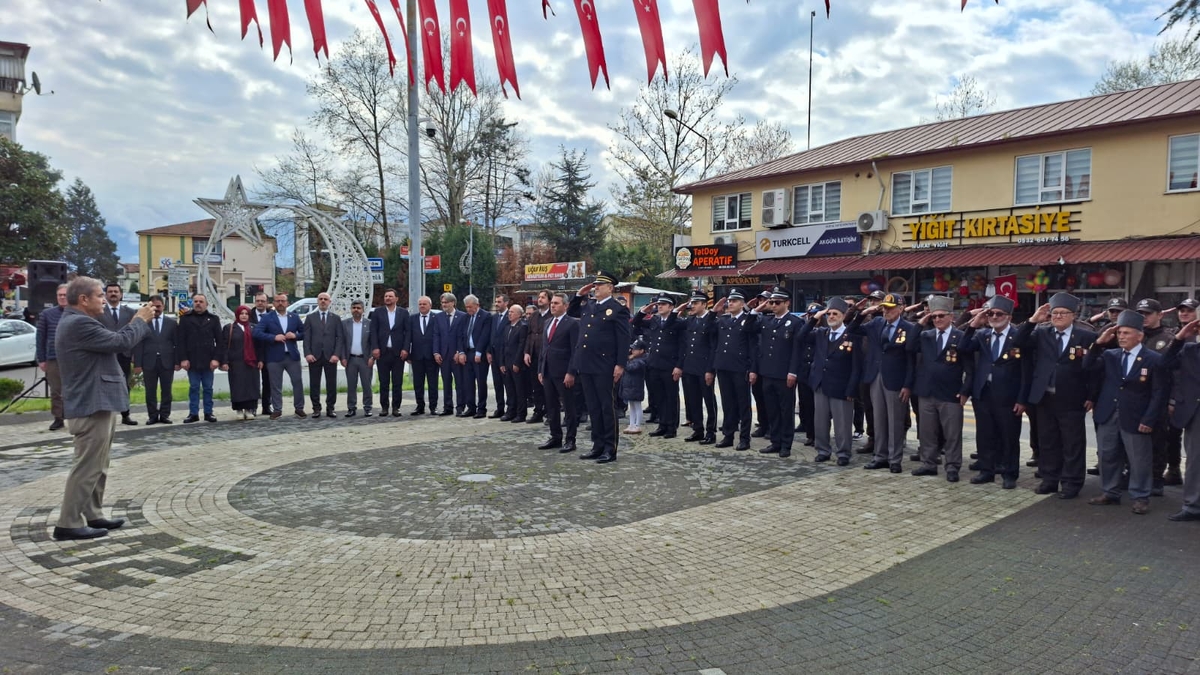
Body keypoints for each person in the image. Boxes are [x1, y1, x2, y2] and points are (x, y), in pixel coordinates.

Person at [52, 276, 154, 541]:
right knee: (87, 466)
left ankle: (93, 513)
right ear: (83, 299)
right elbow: (120, 342)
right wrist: (140, 320)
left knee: (98, 464)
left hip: (98, 402)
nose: (104, 300)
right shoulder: (78, 323)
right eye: (99, 295)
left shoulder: (79, 320)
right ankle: (68, 523)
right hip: (90, 404)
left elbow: (115, 340)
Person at [1086, 310, 1170, 515]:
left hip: (1136, 416)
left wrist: (1149, 419)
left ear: (1139, 336)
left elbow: (1159, 393)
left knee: (1139, 459)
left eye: (1126, 333)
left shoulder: (1154, 359)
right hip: (1108, 413)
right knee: (1107, 455)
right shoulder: (1110, 355)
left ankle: (1140, 497)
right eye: (1119, 333)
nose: (1121, 336)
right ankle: (1110, 492)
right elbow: (1087, 366)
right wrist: (1099, 343)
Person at [1014, 293, 1097, 499]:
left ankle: (1071, 482)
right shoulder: (1042, 333)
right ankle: (1050, 479)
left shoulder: (1086, 336)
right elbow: (1018, 341)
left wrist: (1092, 395)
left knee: (1072, 443)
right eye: (1055, 313)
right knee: (1047, 441)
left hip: (1072, 397)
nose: (1058, 316)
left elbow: (1095, 369)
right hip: (1044, 396)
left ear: (1073, 315)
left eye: (1063, 313)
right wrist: (1033, 320)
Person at [958, 295, 1029, 489]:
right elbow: (963, 347)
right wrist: (973, 324)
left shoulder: (1018, 336)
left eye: (999, 314)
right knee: (985, 435)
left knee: (1009, 437)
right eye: (991, 314)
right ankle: (986, 471)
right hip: (984, 393)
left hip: (1008, 395)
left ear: (1009, 316)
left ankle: (1009, 474)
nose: (994, 317)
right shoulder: (983, 335)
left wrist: (1022, 399)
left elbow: (1026, 371)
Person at [567, 271, 631, 463]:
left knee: (606, 407)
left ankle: (610, 449)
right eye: (594, 285)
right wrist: (579, 295)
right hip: (586, 364)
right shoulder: (589, 305)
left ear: (610, 288)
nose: (595, 288)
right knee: (593, 407)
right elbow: (571, 312)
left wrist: (620, 364)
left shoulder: (617, 309)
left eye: (599, 285)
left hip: (605, 365)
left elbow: (624, 339)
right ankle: (597, 445)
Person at [851, 292, 916, 473]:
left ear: (901, 309)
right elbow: (852, 329)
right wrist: (863, 313)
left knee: (895, 422)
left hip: (896, 379)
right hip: (875, 376)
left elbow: (911, 360)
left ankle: (894, 459)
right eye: (885, 308)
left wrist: (908, 385)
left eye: (890, 308)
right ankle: (880, 456)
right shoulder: (876, 323)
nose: (886, 311)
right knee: (878, 419)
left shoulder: (909, 328)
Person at [910, 296, 972, 482]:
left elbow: (970, 369)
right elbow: (910, 345)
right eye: (934, 316)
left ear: (951, 316)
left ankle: (952, 466)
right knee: (927, 432)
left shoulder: (960, 337)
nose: (937, 319)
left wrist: (965, 391)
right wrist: (921, 323)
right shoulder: (926, 335)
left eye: (941, 316)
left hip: (950, 393)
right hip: (927, 392)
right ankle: (929, 463)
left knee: (952, 433)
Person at [798, 297, 862, 465]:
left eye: (835, 314)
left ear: (843, 316)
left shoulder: (852, 335)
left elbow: (857, 366)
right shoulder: (821, 333)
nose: (831, 317)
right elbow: (801, 336)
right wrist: (815, 318)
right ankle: (823, 450)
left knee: (842, 423)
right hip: (821, 383)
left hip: (841, 386)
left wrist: (852, 388)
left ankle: (843, 453)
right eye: (829, 314)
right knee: (820, 421)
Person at [754, 287, 803, 459]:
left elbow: (797, 350)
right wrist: (757, 309)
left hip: (784, 374)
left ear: (787, 303)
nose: (773, 305)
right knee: (772, 409)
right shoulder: (766, 321)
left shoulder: (795, 322)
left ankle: (786, 444)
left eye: (777, 302)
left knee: (786, 411)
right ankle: (775, 441)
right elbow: (748, 328)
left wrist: (793, 372)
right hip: (767, 372)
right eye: (771, 302)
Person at [1135, 298, 1177, 497]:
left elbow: (1177, 373)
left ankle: (1156, 478)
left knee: (1158, 439)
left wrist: (1172, 399)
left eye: (1148, 313)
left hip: (1160, 395)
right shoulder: (1133, 334)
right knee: (1134, 439)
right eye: (1140, 314)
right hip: (1136, 395)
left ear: (1160, 315)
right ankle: (1135, 476)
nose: (1144, 317)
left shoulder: (1169, 338)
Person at [711, 288, 761, 450]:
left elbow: (753, 347)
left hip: (740, 367)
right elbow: (708, 329)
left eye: (734, 301)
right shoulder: (723, 320)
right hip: (723, 366)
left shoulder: (748, 320)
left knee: (743, 404)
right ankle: (728, 435)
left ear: (742, 304)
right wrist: (713, 311)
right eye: (729, 301)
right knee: (727, 403)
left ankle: (744, 438)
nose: (730, 303)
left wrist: (753, 369)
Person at [1164, 318, 1200, 521]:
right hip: (1195, 412)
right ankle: (1193, 506)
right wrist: (1179, 338)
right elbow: (1164, 363)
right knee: (1195, 461)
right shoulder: (1189, 350)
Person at [537, 292, 579, 452]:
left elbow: (575, 350)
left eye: (556, 303)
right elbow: (544, 348)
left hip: (564, 372)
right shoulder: (548, 322)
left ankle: (571, 439)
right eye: (552, 303)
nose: (552, 306)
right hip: (548, 371)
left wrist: (571, 372)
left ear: (566, 306)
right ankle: (555, 437)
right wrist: (541, 369)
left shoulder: (572, 324)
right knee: (551, 406)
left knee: (568, 407)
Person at [254, 292, 306, 419]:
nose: (280, 303)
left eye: (283, 301)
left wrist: (295, 336)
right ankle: (277, 409)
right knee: (275, 385)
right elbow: (256, 333)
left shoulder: (294, 317)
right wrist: (273, 337)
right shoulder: (267, 317)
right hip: (274, 357)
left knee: (297, 382)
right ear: (273, 303)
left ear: (288, 303)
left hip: (292, 356)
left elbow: (305, 332)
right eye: (278, 301)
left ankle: (299, 408)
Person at [679, 291, 721, 445]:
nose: (692, 306)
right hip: (690, 366)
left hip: (704, 367)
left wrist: (710, 370)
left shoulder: (712, 321)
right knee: (693, 400)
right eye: (692, 303)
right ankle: (697, 429)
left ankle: (711, 432)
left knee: (709, 400)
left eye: (696, 303)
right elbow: (671, 324)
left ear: (704, 304)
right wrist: (678, 309)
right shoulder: (690, 320)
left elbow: (713, 347)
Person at [131, 295, 179, 424]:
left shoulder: (172, 323)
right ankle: (152, 416)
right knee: (150, 391)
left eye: (159, 306)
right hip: (149, 362)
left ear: (163, 306)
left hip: (167, 361)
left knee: (167, 390)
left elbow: (177, 343)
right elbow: (139, 344)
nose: (156, 309)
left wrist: (177, 362)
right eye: (153, 306)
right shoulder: (143, 322)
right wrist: (137, 364)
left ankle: (165, 415)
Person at [177, 293, 223, 423]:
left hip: (209, 361)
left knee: (208, 388)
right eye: (196, 301)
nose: (198, 304)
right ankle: (193, 413)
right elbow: (180, 341)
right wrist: (183, 359)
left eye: (201, 301)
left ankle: (208, 412)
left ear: (206, 304)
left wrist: (216, 359)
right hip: (192, 360)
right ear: (192, 303)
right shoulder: (185, 319)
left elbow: (220, 342)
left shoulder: (213, 319)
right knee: (194, 388)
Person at [97, 281, 138, 426]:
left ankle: (126, 414)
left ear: (121, 294)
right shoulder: (99, 312)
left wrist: (135, 354)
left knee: (125, 385)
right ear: (105, 295)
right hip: (106, 353)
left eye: (116, 291)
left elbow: (135, 333)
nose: (113, 294)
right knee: (105, 384)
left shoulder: (130, 312)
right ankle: (106, 415)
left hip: (125, 354)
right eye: (110, 292)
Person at [369, 288, 410, 417]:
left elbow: (408, 332)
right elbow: (373, 331)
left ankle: (396, 407)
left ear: (396, 298)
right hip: (383, 352)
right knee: (384, 382)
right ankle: (384, 407)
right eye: (386, 296)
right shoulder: (378, 312)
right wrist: (375, 348)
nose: (387, 298)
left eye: (390, 296)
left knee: (397, 382)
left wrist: (405, 349)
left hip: (398, 353)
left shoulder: (403, 313)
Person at [302, 292, 343, 419]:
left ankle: (330, 408)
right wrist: (307, 353)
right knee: (314, 384)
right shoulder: (310, 318)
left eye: (325, 299)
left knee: (331, 384)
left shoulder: (335, 318)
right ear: (317, 301)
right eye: (321, 299)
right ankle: (316, 408)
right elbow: (306, 338)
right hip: (314, 356)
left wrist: (336, 354)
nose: (323, 301)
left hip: (330, 356)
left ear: (329, 302)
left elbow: (340, 338)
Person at [220, 305, 264, 420]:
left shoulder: (254, 327)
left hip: (252, 362)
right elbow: (224, 346)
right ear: (237, 315)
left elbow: (259, 345)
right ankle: (239, 409)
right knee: (237, 386)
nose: (244, 316)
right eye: (241, 313)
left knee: (251, 386)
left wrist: (260, 360)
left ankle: (249, 409)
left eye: (246, 314)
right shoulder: (229, 328)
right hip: (236, 362)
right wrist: (224, 361)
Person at [35, 284, 68, 431]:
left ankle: (75, 416)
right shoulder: (47, 314)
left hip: (75, 358)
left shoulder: (79, 312)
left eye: (65, 295)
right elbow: (40, 338)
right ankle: (58, 418)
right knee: (56, 390)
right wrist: (41, 359)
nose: (62, 297)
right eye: (60, 295)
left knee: (75, 389)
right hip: (54, 358)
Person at [458, 295, 492, 418]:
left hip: (479, 354)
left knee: (481, 382)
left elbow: (485, 335)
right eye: (466, 307)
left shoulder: (486, 316)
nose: (468, 309)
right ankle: (471, 407)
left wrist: (479, 352)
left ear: (477, 305)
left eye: (470, 307)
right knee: (468, 382)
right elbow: (461, 335)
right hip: (468, 352)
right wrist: (461, 352)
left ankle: (481, 409)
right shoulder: (465, 317)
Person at [340, 299, 374, 417]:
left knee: (367, 385)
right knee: (351, 385)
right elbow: (341, 342)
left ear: (363, 310)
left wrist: (372, 357)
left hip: (365, 359)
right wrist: (342, 358)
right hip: (350, 360)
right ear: (351, 310)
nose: (356, 310)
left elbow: (373, 342)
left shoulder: (370, 323)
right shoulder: (345, 324)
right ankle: (351, 408)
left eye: (358, 308)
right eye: (354, 308)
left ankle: (368, 408)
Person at [408, 295, 441, 415]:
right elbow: (408, 337)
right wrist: (408, 354)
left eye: (424, 304)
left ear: (430, 305)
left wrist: (437, 352)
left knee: (433, 383)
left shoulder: (436, 318)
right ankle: (420, 406)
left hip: (431, 356)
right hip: (416, 357)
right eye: (420, 304)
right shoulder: (412, 319)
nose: (422, 306)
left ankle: (433, 407)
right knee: (418, 384)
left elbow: (439, 336)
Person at [434, 293, 465, 416]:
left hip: (456, 355)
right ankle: (447, 407)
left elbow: (463, 336)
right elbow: (436, 335)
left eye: (446, 302)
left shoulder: (462, 316)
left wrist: (460, 351)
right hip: (444, 355)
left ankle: (460, 407)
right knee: (446, 382)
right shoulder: (438, 317)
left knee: (459, 383)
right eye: (442, 303)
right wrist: (436, 352)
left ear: (453, 303)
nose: (444, 305)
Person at [524, 290, 551, 424]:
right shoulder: (534, 315)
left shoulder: (552, 315)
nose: (540, 299)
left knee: (548, 386)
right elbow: (529, 334)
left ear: (549, 300)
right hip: (534, 355)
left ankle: (550, 412)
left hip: (547, 355)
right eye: (539, 297)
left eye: (543, 297)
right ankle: (538, 411)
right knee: (536, 386)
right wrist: (527, 352)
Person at [499, 304, 529, 422]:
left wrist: (517, 363)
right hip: (507, 362)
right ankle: (511, 411)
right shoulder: (507, 327)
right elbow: (503, 345)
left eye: (512, 312)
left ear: (519, 314)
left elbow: (521, 346)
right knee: (510, 389)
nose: (509, 314)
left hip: (516, 363)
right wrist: (501, 363)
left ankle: (521, 413)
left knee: (519, 390)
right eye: (509, 312)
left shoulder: (522, 327)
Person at [248, 292, 273, 416]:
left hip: (269, 353)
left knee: (268, 381)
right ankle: (252, 407)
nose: (260, 303)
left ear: (267, 302)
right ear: (255, 302)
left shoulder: (273, 315)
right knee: (253, 382)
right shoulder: (248, 315)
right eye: (258, 301)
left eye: (262, 301)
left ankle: (266, 406)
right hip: (252, 353)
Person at [488, 294, 510, 418]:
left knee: (508, 383)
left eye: (499, 302)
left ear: (506, 303)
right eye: (496, 302)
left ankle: (510, 408)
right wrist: (489, 351)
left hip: (505, 356)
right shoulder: (494, 317)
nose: (496, 304)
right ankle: (499, 408)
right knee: (497, 384)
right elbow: (491, 335)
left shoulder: (510, 316)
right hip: (494, 355)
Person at [622, 338, 649, 434]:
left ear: (641, 351)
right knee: (632, 406)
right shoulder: (634, 360)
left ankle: (637, 425)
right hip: (629, 386)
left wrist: (624, 360)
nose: (632, 351)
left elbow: (630, 368)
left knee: (637, 406)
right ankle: (631, 424)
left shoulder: (641, 361)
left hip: (636, 387)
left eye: (635, 349)